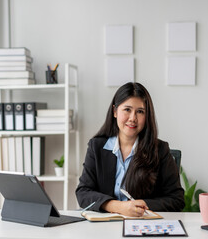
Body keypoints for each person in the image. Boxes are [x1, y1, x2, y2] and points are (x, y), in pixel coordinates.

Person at [76, 82, 185, 217]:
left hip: (142, 225)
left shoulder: (160, 150)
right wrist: (118, 206)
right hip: (105, 226)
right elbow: (83, 192)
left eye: (140, 112)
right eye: (127, 110)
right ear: (115, 111)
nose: (133, 118)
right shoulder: (96, 147)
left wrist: (141, 205)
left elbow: (177, 199)